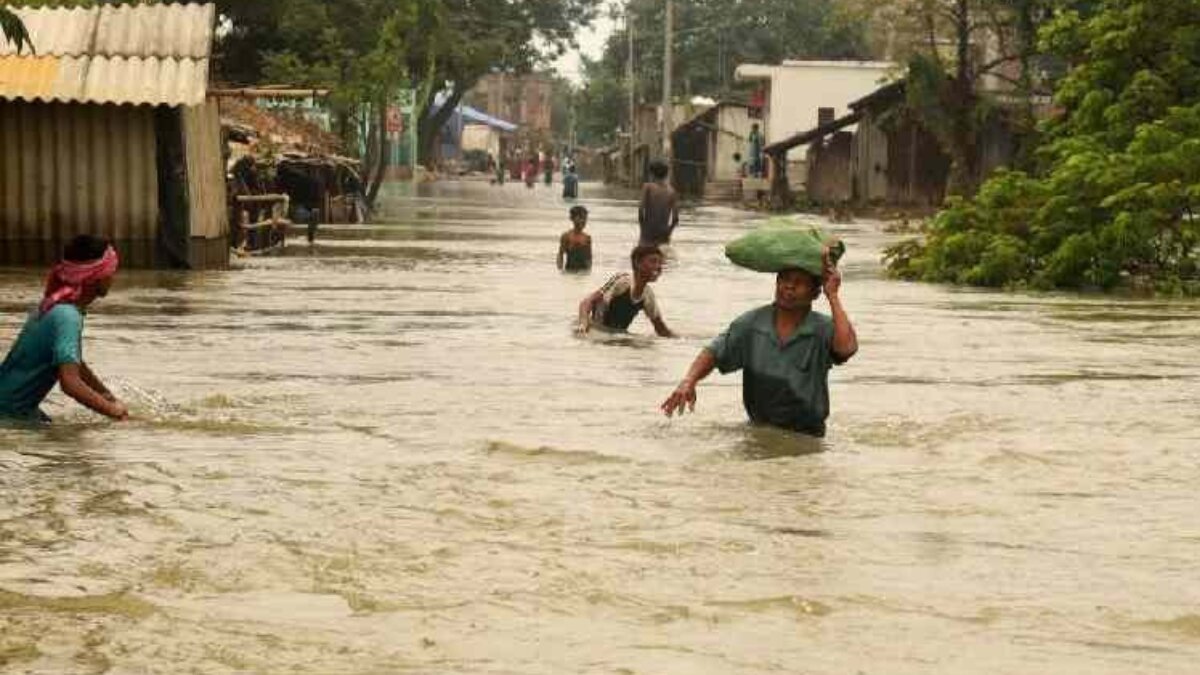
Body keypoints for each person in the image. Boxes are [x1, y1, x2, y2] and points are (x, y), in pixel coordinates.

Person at [660, 256, 857, 438]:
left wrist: (833, 296)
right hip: (760, 430)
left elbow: (846, 348)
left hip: (807, 436)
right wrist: (689, 381)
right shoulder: (752, 324)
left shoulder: (822, 329)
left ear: (815, 293)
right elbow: (714, 351)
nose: (789, 287)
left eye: (799, 283)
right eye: (784, 279)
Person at [0, 235, 130, 422]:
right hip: (8, 416)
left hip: (16, 409)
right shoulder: (67, 316)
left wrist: (105, 395)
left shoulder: (52, 305)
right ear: (97, 276)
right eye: (111, 270)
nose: (113, 276)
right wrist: (116, 413)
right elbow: (70, 384)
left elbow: (73, 362)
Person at [577, 245, 674, 337]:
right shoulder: (622, 281)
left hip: (616, 337)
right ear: (637, 262)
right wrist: (583, 324)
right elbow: (586, 302)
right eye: (653, 261)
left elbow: (661, 330)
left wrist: (683, 340)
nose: (658, 267)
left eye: (660, 263)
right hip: (596, 333)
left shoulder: (648, 296)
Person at [638, 159, 679, 246]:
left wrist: (643, 230)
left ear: (652, 174)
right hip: (663, 233)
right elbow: (675, 219)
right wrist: (669, 232)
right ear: (666, 175)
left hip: (648, 232)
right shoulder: (672, 191)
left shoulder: (648, 187)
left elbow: (641, 211)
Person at [558, 206, 592, 272]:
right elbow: (560, 255)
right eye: (580, 218)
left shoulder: (587, 238)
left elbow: (589, 259)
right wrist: (560, 270)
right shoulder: (566, 236)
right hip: (570, 272)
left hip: (583, 273)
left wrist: (589, 273)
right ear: (572, 219)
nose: (583, 221)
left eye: (585, 218)